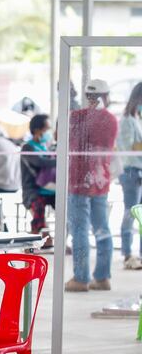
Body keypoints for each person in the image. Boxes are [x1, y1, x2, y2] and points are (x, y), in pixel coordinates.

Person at [66, 79, 118, 292]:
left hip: (79, 181)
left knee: (79, 229)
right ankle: (102, 277)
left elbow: (67, 142)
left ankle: (81, 278)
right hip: (100, 181)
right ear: (106, 96)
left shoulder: (76, 117)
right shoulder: (111, 120)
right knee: (102, 228)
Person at [21, 114, 57, 243]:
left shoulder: (45, 147)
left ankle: (52, 239)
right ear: (37, 130)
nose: (49, 132)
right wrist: (60, 159)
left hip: (49, 189)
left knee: (65, 206)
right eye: (47, 129)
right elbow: (40, 163)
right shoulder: (27, 147)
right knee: (38, 207)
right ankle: (35, 239)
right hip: (33, 190)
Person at [117, 82, 142, 270]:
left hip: (138, 171)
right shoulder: (126, 120)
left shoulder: (136, 119)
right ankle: (127, 254)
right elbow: (128, 149)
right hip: (131, 172)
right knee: (130, 213)